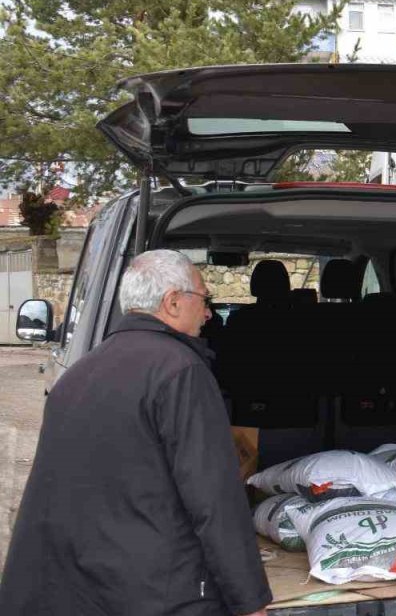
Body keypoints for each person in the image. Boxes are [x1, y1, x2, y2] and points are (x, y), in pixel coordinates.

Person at [0, 250, 272, 616]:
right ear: (172, 302)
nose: (208, 313)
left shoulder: (79, 373)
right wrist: (250, 599)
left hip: (77, 588)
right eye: (204, 299)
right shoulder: (181, 371)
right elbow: (213, 497)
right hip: (157, 592)